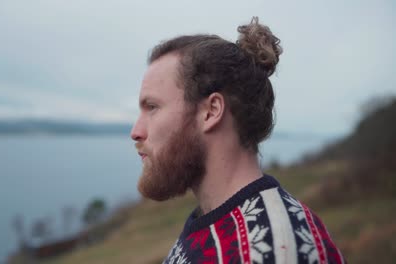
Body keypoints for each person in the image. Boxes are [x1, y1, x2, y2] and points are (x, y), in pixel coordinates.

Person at [130, 17, 345, 264]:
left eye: (153, 107)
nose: (136, 131)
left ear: (211, 111)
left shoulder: (275, 251)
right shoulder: (211, 219)